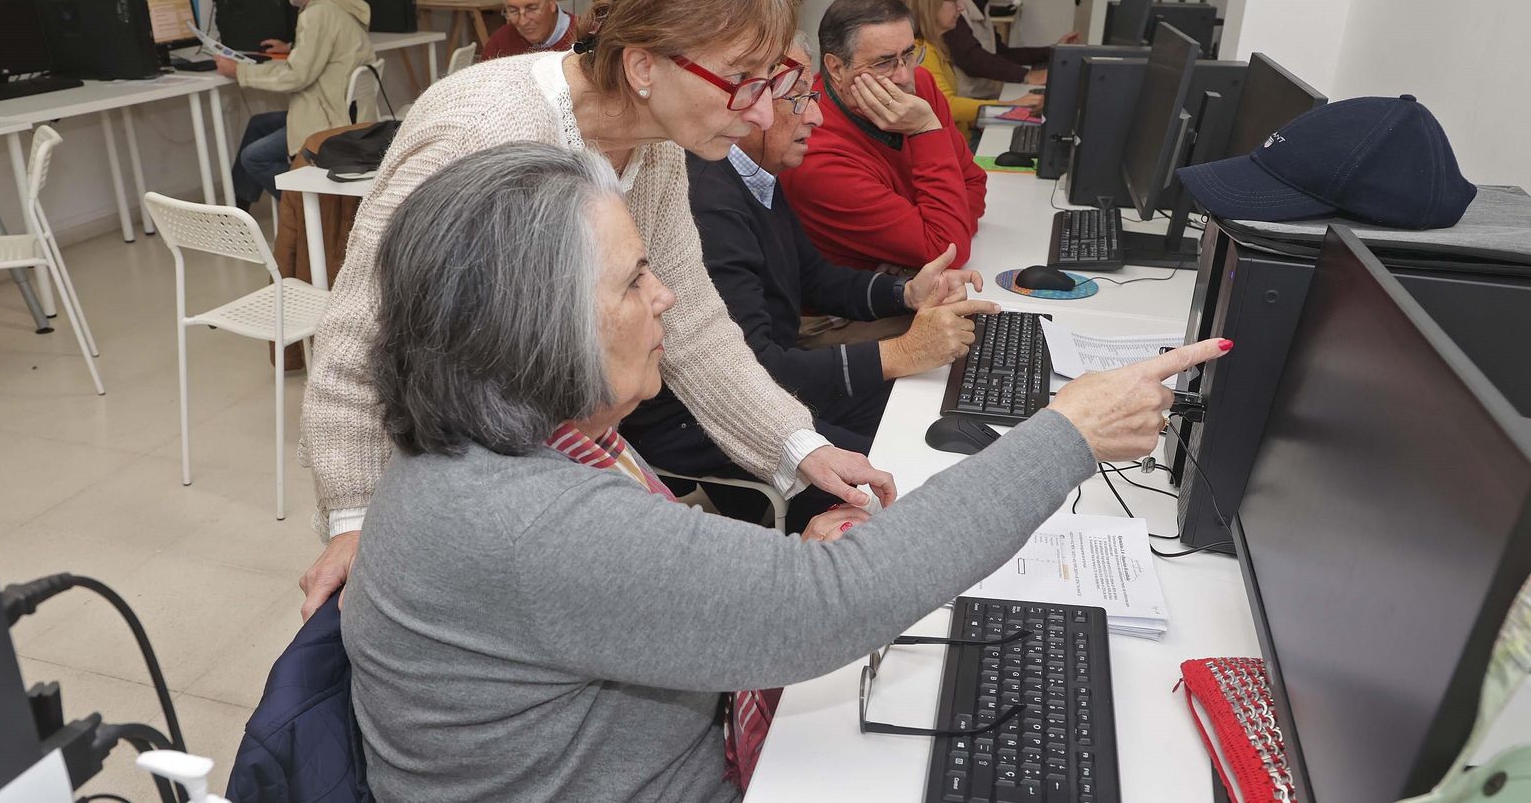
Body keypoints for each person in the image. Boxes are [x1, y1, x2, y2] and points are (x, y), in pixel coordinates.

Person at [341, 142, 1232, 801]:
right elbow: (830, 606)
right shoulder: (521, 518)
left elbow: (636, 569)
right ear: (539, 328)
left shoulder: (524, 443)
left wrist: (780, 556)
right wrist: (1068, 432)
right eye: (634, 280)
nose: (666, 297)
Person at [297, 0, 894, 620]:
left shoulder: (658, 142)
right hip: (447, 483)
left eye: (771, 83)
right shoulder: (481, 132)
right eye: (739, 81)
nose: (761, 110)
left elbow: (691, 320)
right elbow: (358, 338)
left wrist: (797, 447)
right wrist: (354, 519)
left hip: (540, 462)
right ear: (644, 66)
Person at [625, 33, 995, 530]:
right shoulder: (707, 202)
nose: (817, 117)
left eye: (814, 97)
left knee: (944, 418)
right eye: (799, 99)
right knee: (921, 480)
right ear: (750, 97)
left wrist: (905, 293)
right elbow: (753, 371)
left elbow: (813, 276)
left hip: (776, 389)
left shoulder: (755, 175)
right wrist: (903, 353)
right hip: (716, 420)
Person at [779, 0, 987, 280]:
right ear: (836, 68)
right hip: (852, 315)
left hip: (907, 286)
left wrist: (926, 243)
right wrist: (925, 130)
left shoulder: (921, 86)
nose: (904, 76)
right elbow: (947, 250)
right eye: (884, 62)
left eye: (909, 55)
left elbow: (975, 183)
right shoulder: (815, 152)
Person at [217, 0, 376, 212]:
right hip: (348, 111)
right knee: (258, 124)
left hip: (329, 119)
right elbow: (329, 50)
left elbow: (296, 76)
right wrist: (292, 49)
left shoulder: (316, 14)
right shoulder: (340, 6)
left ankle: (312, 210)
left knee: (253, 158)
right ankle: (236, 211)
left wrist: (239, 71)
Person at [902, 0, 1039, 139]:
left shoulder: (937, 44)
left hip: (962, 137)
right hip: (956, 146)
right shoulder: (923, 52)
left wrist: (981, 119)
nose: (961, 7)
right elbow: (948, 105)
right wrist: (1009, 106)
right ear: (932, 3)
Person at [946, 0, 1079, 99]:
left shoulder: (978, 2)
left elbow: (1002, 54)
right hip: (970, 107)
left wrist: (1054, 51)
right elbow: (972, 59)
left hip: (985, 98)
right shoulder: (951, 8)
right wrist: (1028, 76)